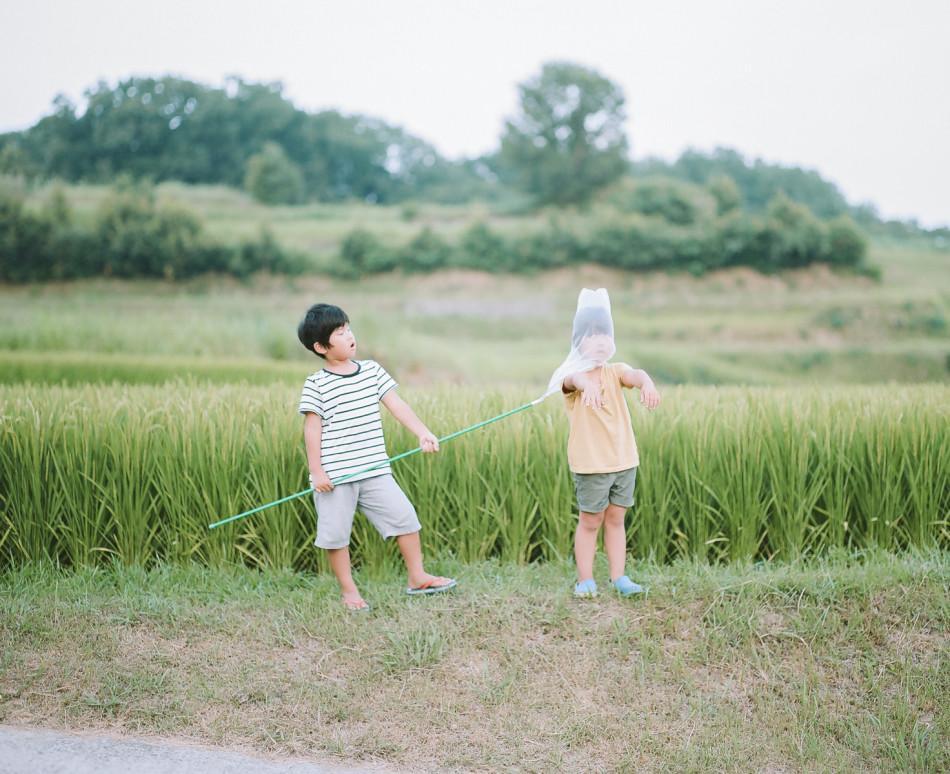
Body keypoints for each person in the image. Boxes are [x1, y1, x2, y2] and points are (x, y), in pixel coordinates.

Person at [297, 303, 456, 610]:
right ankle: (349, 591)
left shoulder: (371, 370)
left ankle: (417, 576)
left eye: (348, 329)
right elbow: (311, 430)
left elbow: (397, 405)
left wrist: (422, 432)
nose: (349, 336)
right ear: (320, 346)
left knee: (405, 518)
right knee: (336, 535)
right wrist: (317, 472)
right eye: (340, 334)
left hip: (375, 470)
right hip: (336, 476)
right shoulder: (317, 383)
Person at [556, 290, 661, 598]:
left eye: (604, 334)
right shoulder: (572, 376)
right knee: (590, 521)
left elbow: (635, 375)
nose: (601, 341)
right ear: (578, 340)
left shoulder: (616, 372)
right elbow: (570, 382)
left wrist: (647, 382)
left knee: (616, 519)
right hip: (591, 465)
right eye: (592, 335)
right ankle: (585, 580)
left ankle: (619, 577)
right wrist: (585, 382)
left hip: (624, 460)